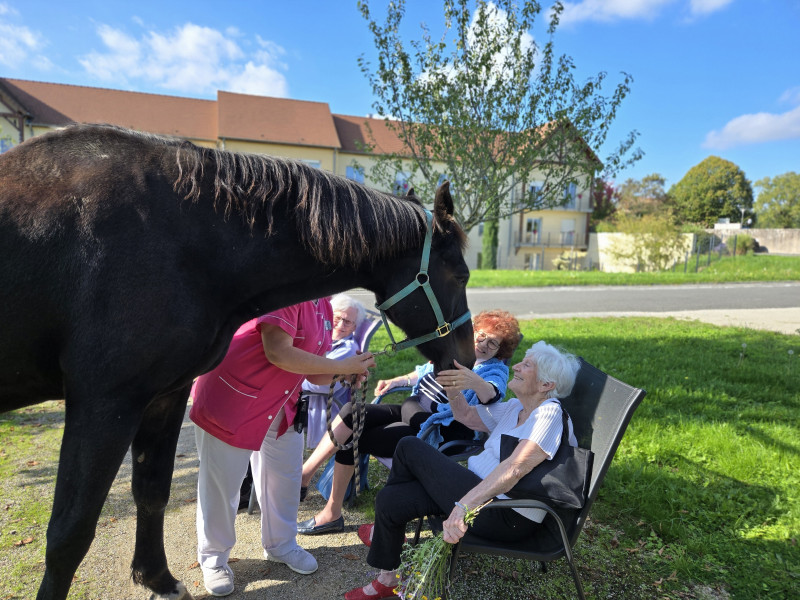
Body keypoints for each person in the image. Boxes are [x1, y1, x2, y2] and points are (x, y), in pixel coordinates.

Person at [344, 340, 580, 600]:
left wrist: (462, 507)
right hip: (479, 493)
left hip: (506, 513)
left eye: (527, 365)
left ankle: (386, 536)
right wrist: (453, 387)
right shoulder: (516, 408)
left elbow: (515, 468)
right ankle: (387, 578)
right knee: (391, 500)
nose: (516, 367)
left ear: (546, 385)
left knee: (410, 446)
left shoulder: (549, 414)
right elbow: (465, 416)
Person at [190, 299, 375, 597]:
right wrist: (341, 365)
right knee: (222, 485)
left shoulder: (324, 305)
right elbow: (278, 351)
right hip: (234, 399)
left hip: (282, 405)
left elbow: (313, 371)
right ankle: (214, 558)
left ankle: (281, 544)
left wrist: (346, 372)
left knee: (285, 478)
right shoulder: (288, 291)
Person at [296, 310, 521, 537]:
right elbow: (423, 372)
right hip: (412, 411)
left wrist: (474, 381)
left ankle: (332, 513)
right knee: (351, 412)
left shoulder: (495, 370)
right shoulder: (456, 350)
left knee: (356, 434)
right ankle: (305, 473)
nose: (483, 344)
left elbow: (492, 394)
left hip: (437, 429)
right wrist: (396, 381)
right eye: (481, 336)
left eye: (493, 343)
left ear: (500, 350)